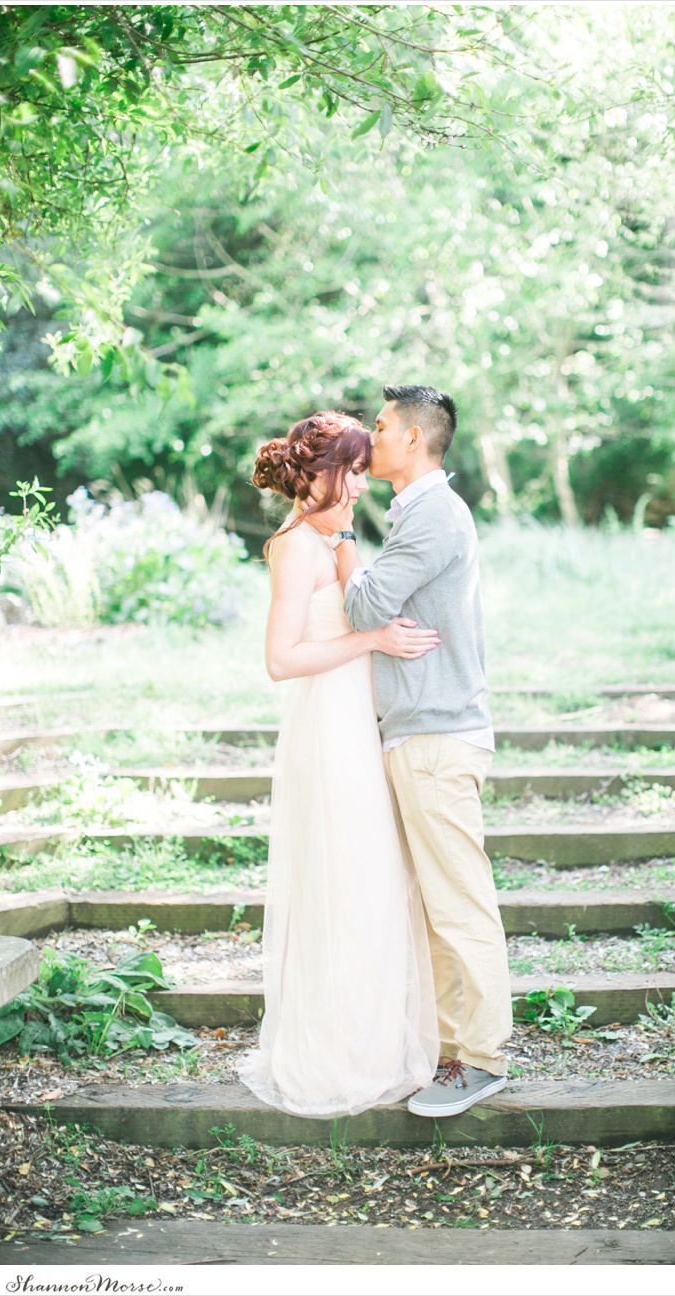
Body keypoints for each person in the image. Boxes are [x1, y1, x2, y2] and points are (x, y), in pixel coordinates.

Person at [237, 410, 439, 1117]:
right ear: (322, 473)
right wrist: (373, 640)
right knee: (344, 877)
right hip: (326, 733)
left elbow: (359, 604)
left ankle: (374, 1043)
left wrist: (348, 536)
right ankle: (335, 1054)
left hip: (356, 725)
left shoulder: (331, 538)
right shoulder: (295, 548)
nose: (361, 481)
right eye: (353, 470)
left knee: (373, 878)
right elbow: (280, 660)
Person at [338, 384, 514, 1118]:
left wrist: (338, 537)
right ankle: (451, 1049)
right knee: (436, 907)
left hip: (438, 737)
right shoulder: (417, 510)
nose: (369, 438)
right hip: (421, 732)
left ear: (414, 438)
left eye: (380, 427)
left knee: (460, 905)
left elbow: (366, 606)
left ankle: (481, 1057)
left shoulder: (435, 514)